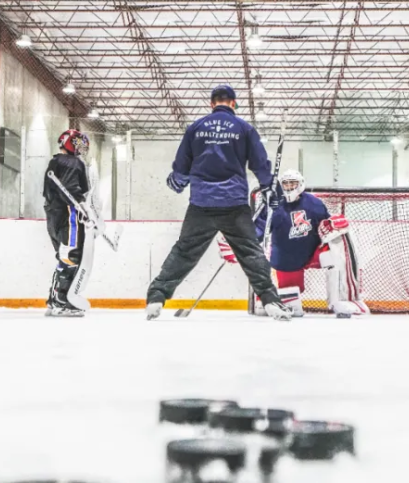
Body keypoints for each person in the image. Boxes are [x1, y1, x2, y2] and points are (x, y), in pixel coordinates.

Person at [145, 84, 292, 321]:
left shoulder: (196, 127)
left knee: (184, 252)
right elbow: (259, 163)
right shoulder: (245, 128)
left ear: (212, 103)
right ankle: (271, 301)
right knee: (251, 253)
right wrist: (269, 188)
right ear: (233, 103)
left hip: (201, 204)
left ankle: (156, 297)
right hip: (233, 204)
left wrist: (178, 180)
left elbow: (182, 164)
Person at [221, 169, 368, 317]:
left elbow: (327, 226)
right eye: (286, 184)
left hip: (313, 252)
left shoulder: (314, 203)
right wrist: (239, 243)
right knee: (292, 307)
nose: (289, 187)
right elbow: (259, 230)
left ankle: (341, 301)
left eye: (293, 183)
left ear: (301, 184)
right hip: (287, 259)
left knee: (337, 248)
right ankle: (267, 301)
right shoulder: (273, 206)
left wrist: (331, 226)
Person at [43, 129, 91, 317]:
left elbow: (50, 192)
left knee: (65, 256)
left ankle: (55, 300)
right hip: (69, 214)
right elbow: (71, 189)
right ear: (69, 143)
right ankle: (63, 301)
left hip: (54, 214)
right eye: (78, 144)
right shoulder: (71, 162)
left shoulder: (56, 162)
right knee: (71, 255)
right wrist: (82, 208)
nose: (80, 149)